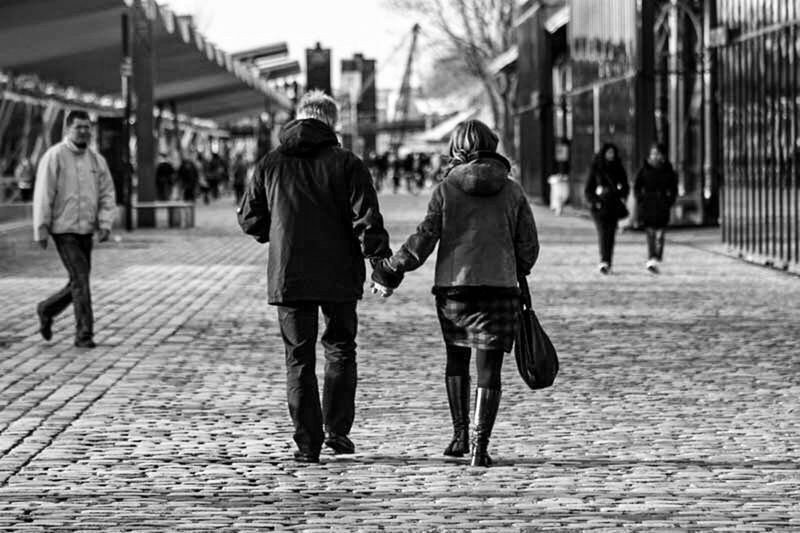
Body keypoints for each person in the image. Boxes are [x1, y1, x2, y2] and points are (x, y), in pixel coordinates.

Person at [371, 120, 539, 467]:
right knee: (489, 366)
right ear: (492, 146)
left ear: (457, 148)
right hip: (499, 288)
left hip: (455, 290)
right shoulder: (513, 191)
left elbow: (424, 239)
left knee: (456, 358)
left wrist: (391, 269)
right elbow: (528, 247)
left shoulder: (446, 189)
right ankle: (480, 447)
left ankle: (460, 435)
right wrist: (514, 264)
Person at [237, 90, 392, 464]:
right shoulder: (347, 163)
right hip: (339, 271)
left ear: (299, 117)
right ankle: (336, 431)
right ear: (332, 122)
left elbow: (249, 218)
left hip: (290, 273)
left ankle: (308, 444)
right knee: (340, 348)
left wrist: (275, 232)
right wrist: (380, 265)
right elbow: (367, 220)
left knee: (299, 358)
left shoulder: (271, 163)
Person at [32, 110, 116, 348]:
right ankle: (84, 334)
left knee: (79, 282)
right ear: (68, 129)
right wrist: (41, 229)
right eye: (79, 127)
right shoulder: (55, 156)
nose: (84, 131)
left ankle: (46, 309)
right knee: (81, 279)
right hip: (63, 229)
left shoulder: (96, 161)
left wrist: (106, 222)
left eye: (87, 127)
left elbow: (107, 193)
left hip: (86, 229)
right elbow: (43, 193)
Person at [584, 143, 630, 274]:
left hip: (613, 206)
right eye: (608, 153)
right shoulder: (596, 168)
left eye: (612, 153)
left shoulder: (619, 168)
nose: (611, 155)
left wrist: (621, 195)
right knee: (603, 233)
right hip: (599, 207)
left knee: (610, 234)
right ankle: (604, 261)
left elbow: (626, 186)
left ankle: (608, 261)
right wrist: (595, 202)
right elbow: (588, 190)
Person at [634, 143, 678, 273]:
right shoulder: (644, 170)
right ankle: (651, 257)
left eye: (657, 153)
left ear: (663, 155)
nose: (655, 156)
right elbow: (637, 186)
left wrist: (669, 201)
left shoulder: (669, 170)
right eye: (653, 153)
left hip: (662, 204)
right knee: (650, 233)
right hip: (648, 204)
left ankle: (657, 256)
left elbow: (673, 189)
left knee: (660, 233)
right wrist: (641, 199)